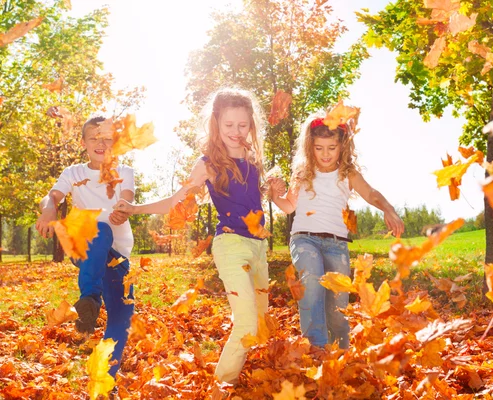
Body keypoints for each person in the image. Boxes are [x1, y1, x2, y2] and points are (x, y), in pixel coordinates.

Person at [115, 88, 268, 385]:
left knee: (258, 321)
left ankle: (234, 370)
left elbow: (251, 199)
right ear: (216, 124)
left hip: (258, 246)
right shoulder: (208, 163)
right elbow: (175, 201)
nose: (236, 132)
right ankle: (221, 386)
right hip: (230, 244)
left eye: (243, 125)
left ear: (251, 125)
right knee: (248, 323)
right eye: (228, 126)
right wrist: (135, 208)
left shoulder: (252, 157)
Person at [35, 115, 187, 378]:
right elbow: (53, 196)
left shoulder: (124, 172)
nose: (100, 142)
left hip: (117, 255)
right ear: (83, 142)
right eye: (94, 137)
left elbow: (127, 196)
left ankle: (105, 379)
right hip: (84, 245)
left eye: (106, 137)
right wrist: (49, 211)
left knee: (122, 317)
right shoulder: (73, 173)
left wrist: (124, 209)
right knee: (101, 228)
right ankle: (90, 299)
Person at [270, 114, 404, 350]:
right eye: (319, 148)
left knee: (337, 304)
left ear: (342, 146)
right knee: (311, 285)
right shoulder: (301, 173)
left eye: (332, 147)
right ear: (309, 147)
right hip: (304, 239)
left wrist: (388, 209)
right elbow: (289, 205)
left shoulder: (347, 173)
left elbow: (371, 193)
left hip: (336, 244)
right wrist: (274, 196)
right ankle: (317, 349)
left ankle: (341, 352)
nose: (325, 154)